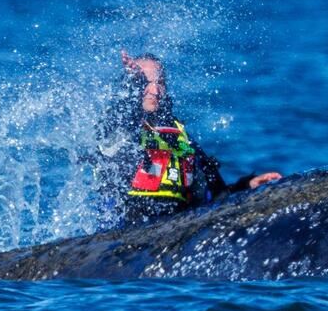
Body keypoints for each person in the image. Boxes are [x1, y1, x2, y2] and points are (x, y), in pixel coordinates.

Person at [93, 51, 281, 226]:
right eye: (144, 82)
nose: (155, 91)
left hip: (173, 231)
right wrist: (132, 84)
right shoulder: (118, 129)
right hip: (125, 234)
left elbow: (215, 195)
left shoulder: (179, 138)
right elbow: (119, 118)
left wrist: (247, 186)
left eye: (160, 83)